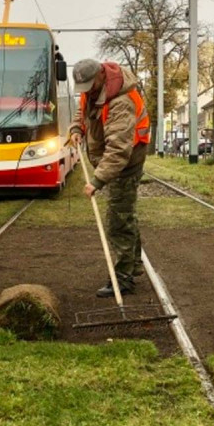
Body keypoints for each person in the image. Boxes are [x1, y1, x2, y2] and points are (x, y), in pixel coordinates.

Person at [68, 58, 150, 298]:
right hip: (115, 158)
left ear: (101, 76)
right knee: (124, 214)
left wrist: (97, 181)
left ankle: (123, 279)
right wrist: (76, 129)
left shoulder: (121, 101)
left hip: (127, 161)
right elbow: (82, 111)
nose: (86, 92)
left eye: (89, 87)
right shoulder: (93, 90)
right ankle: (133, 265)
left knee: (117, 220)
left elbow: (118, 149)